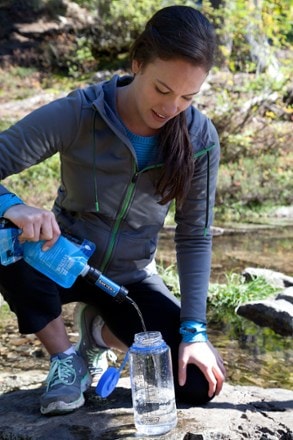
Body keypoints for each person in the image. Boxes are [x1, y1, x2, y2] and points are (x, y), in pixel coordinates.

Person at [0, 5, 226, 416]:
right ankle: (65, 360)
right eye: (162, 89)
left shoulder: (200, 137)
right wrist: (12, 206)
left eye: (188, 97)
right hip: (61, 260)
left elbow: (194, 235)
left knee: (194, 383)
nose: (172, 106)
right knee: (0, 236)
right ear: (137, 62)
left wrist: (194, 333)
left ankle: (99, 335)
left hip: (128, 280)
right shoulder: (79, 113)